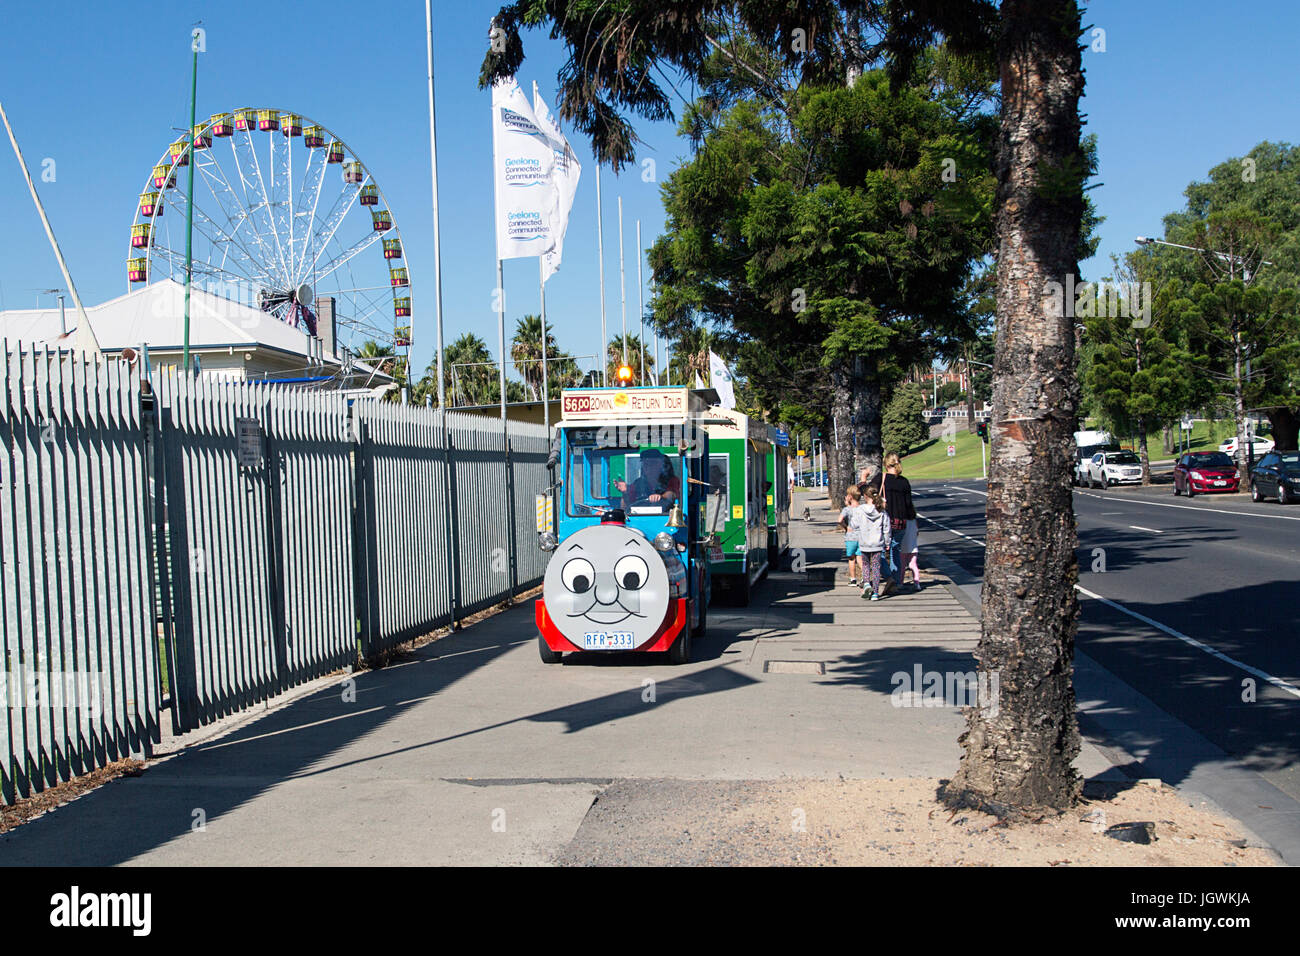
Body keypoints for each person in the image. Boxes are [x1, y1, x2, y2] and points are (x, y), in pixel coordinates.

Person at [882, 452, 922, 591]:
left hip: (885, 521)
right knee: (896, 551)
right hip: (901, 522)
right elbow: (909, 504)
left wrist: (863, 479)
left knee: (880, 552)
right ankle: (897, 581)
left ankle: (889, 578)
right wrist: (913, 520)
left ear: (886, 464)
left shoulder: (882, 479)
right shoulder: (904, 481)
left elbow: (867, 491)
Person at [852, 487, 891, 601]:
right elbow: (887, 529)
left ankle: (867, 584)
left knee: (865, 565)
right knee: (876, 567)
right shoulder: (881, 511)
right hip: (877, 543)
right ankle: (875, 593)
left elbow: (854, 525)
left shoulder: (860, 510)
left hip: (864, 542)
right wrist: (887, 542)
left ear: (865, 496)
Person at [616, 448, 680, 511]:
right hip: (640, 519)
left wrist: (661, 496)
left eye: (652, 463)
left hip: (667, 518)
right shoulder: (638, 483)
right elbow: (625, 508)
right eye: (646, 464)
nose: (649, 467)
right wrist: (624, 493)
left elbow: (672, 494)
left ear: (660, 464)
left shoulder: (672, 480)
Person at [837, 486, 863, 586]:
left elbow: (839, 520)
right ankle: (865, 577)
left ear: (850, 497)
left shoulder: (847, 509)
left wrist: (845, 527)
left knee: (851, 558)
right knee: (860, 558)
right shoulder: (862, 508)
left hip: (850, 537)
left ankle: (853, 579)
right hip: (861, 536)